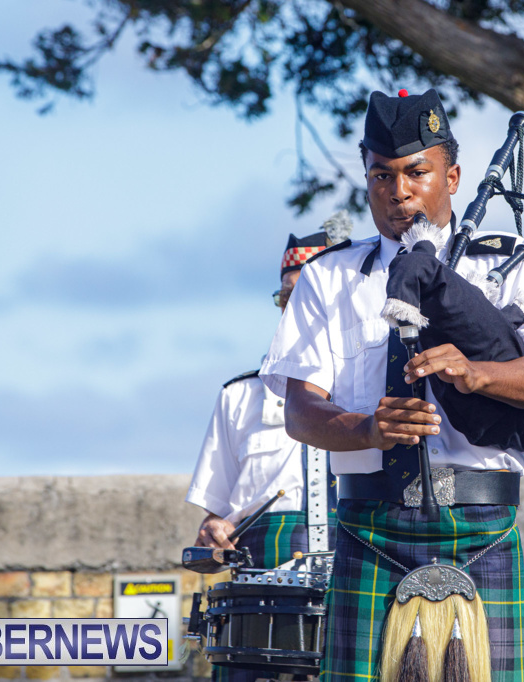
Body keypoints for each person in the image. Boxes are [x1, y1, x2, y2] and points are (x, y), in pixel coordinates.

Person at [260, 88, 524, 682]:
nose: (398, 191)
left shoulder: (506, 264)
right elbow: (300, 412)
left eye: (416, 172)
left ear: (451, 177)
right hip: (369, 527)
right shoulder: (328, 277)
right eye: (381, 175)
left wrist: (479, 373)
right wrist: (368, 429)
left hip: (482, 526)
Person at [186, 219, 348, 682]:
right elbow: (214, 522)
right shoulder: (238, 396)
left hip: (353, 568)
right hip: (258, 588)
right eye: (286, 296)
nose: (295, 307)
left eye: (309, 294)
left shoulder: (377, 391)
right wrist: (213, 534)